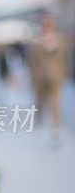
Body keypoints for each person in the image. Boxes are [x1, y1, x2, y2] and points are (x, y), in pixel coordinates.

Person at [27, 14, 71, 146]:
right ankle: (39, 131)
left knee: (54, 105)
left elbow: (65, 61)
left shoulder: (60, 41)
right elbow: (32, 62)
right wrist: (33, 77)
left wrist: (62, 76)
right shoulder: (36, 41)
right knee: (39, 105)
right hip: (40, 79)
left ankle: (55, 132)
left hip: (55, 79)